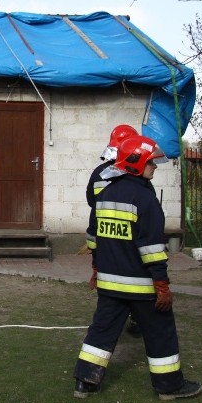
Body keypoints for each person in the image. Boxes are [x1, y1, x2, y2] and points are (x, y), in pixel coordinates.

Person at [73, 134, 202, 402]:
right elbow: (152, 249)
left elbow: (94, 237)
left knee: (102, 330)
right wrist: (162, 284)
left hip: (109, 284)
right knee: (160, 332)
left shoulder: (106, 193)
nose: (155, 167)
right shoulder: (145, 199)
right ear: (136, 163)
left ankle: (85, 382)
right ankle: (169, 386)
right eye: (152, 163)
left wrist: (96, 269)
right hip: (142, 285)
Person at [86, 124, 141, 336]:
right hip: (130, 236)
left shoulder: (99, 173)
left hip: (104, 235)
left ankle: (109, 321)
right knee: (136, 278)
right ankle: (137, 319)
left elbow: (92, 201)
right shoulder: (138, 177)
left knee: (107, 281)